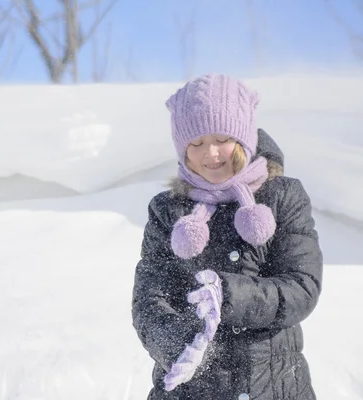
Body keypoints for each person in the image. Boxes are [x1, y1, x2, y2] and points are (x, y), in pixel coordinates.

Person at [131, 73, 323, 400]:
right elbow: (149, 298)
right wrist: (182, 348)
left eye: (222, 138)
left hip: (273, 387)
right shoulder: (168, 210)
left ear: (244, 138)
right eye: (196, 143)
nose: (211, 154)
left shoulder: (283, 197)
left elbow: (301, 286)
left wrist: (229, 294)